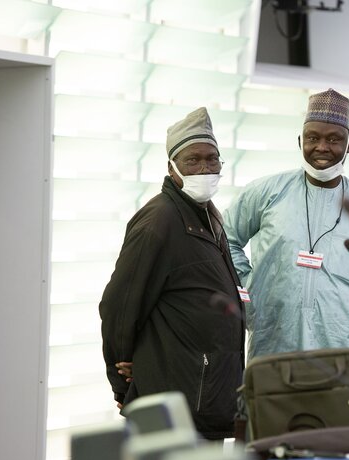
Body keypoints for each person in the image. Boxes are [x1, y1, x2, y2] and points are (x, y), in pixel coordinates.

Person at [223, 89, 349, 403]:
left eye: (334, 139)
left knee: (344, 445)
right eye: (312, 138)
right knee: (273, 446)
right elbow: (224, 239)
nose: (322, 147)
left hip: (348, 359)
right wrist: (250, 290)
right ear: (299, 141)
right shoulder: (267, 193)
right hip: (275, 352)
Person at [100, 107, 245, 440]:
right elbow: (119, 307)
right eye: (193, 160)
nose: (206, 168)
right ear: (171, 166)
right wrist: (122, 377)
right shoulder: (158, 222)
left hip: (206, 399)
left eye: (213, 159)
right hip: (173, 406)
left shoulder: (208, 216)